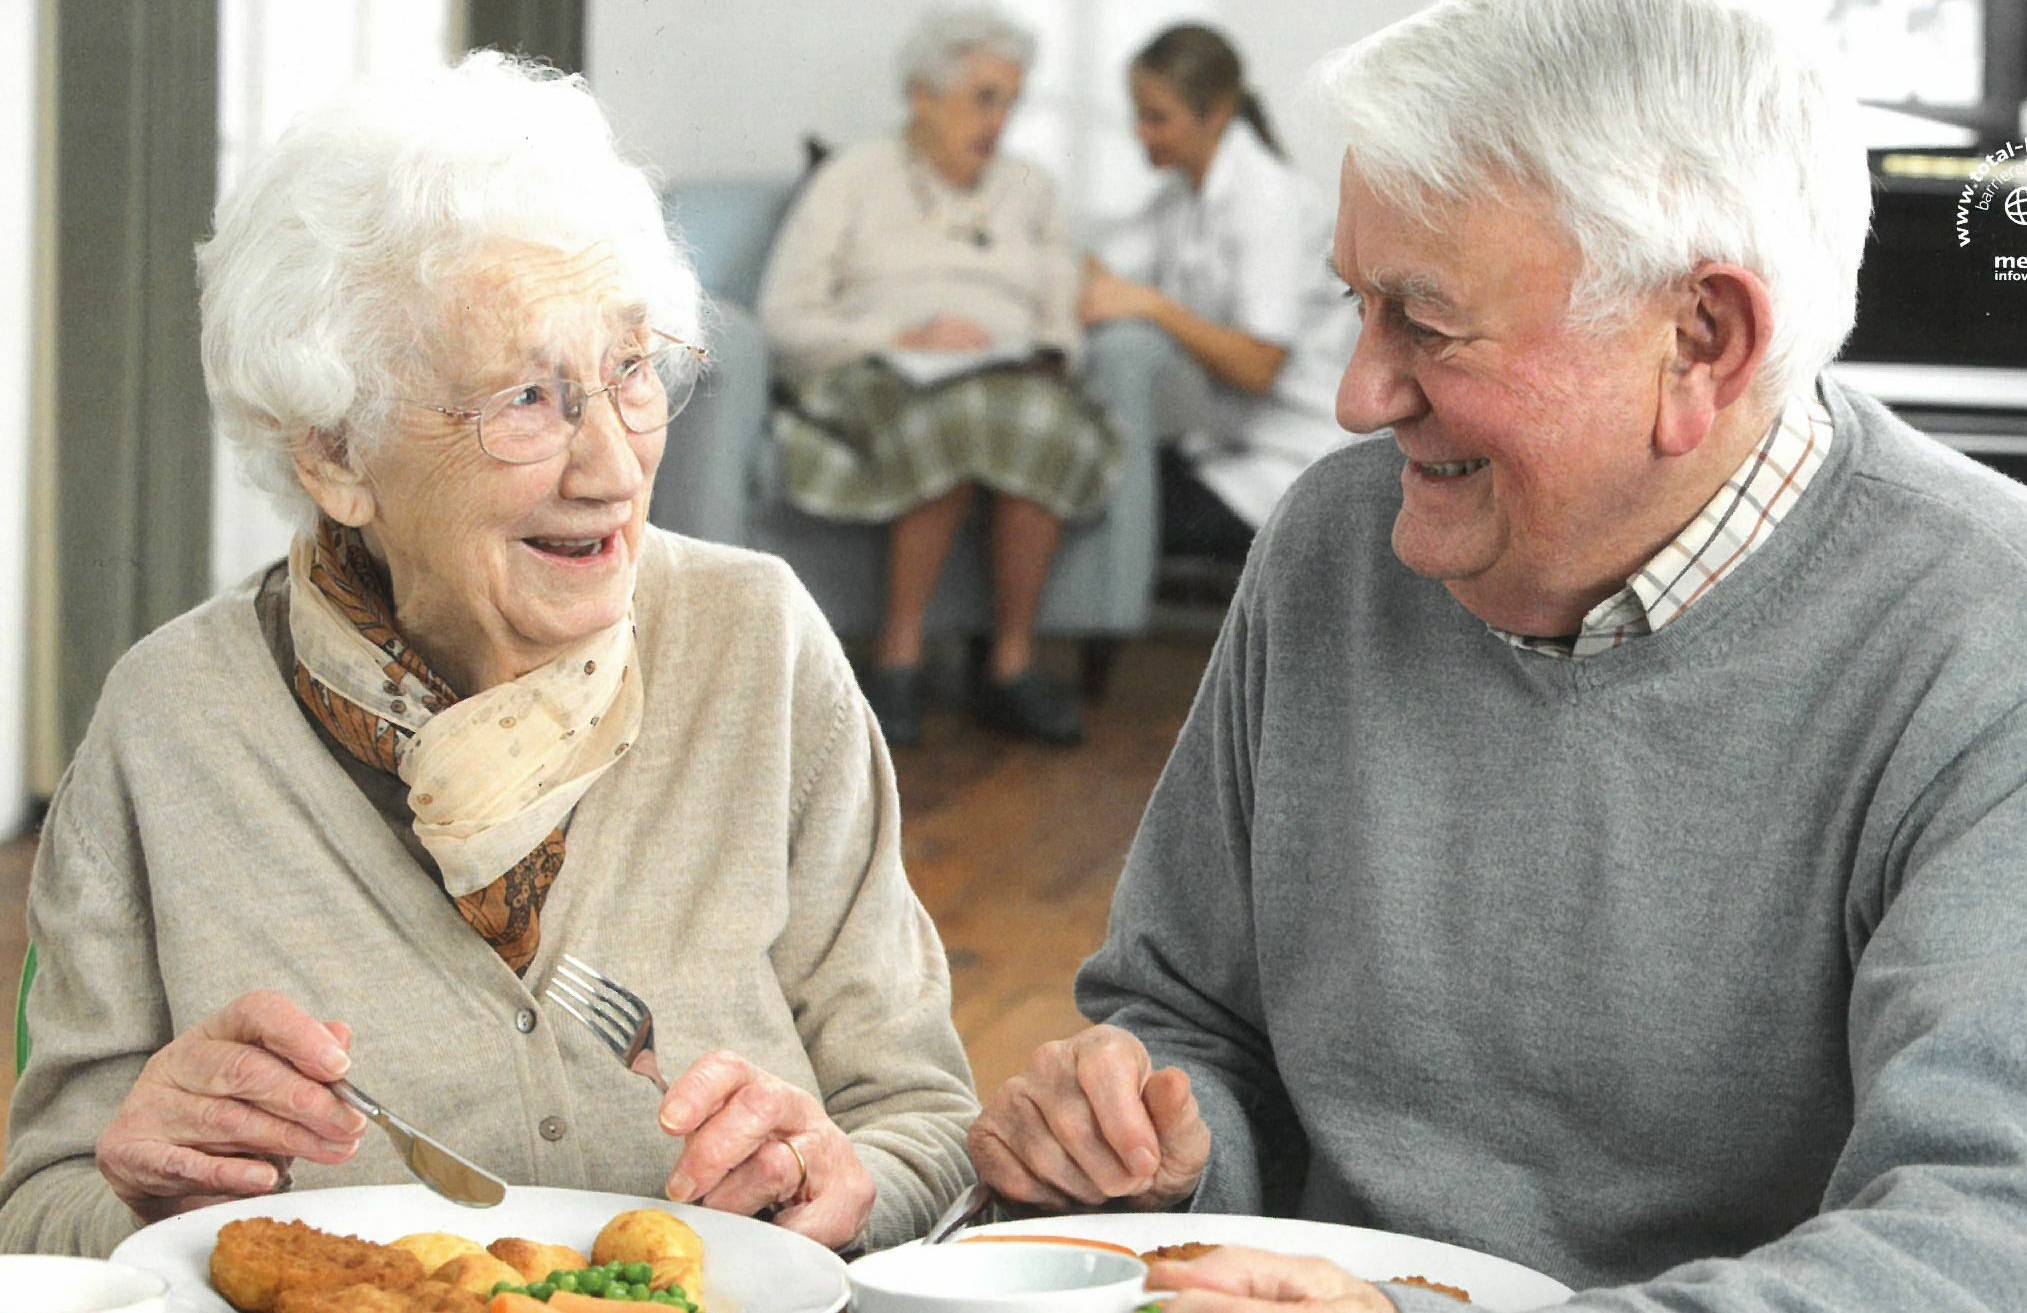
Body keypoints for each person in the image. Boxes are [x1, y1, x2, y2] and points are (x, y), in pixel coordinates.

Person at [971, 0, 2027, 1309]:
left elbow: (1981, 1236)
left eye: (1424, 323)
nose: (1356, 396)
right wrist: (1147, 1151)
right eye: (1356, 303)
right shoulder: (1331, 541)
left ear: (1698, 341)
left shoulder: (1986, 635)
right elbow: (1187, 1018)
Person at [0, 52, 978, 1258]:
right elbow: (40, 1213)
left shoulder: (755, 645)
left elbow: (926, 1122)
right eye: (526, 398)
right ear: (333, 454)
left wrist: (849, 1182)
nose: (611, 468)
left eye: (630, 370)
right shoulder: (172, 723)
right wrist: (152, 1208)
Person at [758, 5, 1117, 749]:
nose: (1000, 121)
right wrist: (899, 338)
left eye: (1011, 102)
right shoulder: (853, 178)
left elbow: (1061, 317)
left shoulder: (1031, 189)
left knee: (1035, 416)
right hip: (878, 374)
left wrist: (1042, 353)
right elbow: (785, 315)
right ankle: (898, 656)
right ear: (923, 95)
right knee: (958, 414)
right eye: (984, 98)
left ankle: (1010, 666)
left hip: (1010, 380)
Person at [1083, 23, 1360, 562]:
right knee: (1086, 473)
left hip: (1291, 460)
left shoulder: (1269, 201)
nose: (1141, 133)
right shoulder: (1181, 198)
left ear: (1214, 114)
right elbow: (1104, 274)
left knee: (1108, 508)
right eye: (1137, 116)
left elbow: (1259, 366)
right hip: (1228, 448)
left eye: (1156, 118)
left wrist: (1153, 307)